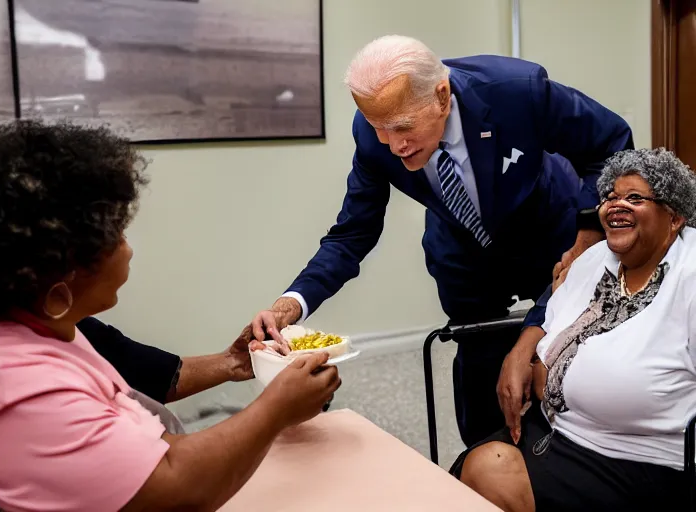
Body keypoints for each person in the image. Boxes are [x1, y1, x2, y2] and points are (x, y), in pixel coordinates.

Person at [239, 35, 634, 446]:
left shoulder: (517, 91)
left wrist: (589, 233)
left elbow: (611, 143)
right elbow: (353, 232)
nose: (394, 145)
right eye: (380, 130)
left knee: (553, 353)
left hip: (551, 229)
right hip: (463, 252)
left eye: (403, 127)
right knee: (481, 375)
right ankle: (484, 465)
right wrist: (292, 302)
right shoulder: (374, 136)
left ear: (442, 96)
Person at [0, 120, 341, 512]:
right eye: (117, 234)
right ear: (60, 279)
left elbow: (144, 423)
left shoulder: (46, 329)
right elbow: (177, 489)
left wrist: (233, 361)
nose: (128, 249)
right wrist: (275, 409)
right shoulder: (31, 390)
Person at [453, 148, 696, 512]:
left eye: (635, 198)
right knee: (455, 481)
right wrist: (523, 354)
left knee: (487, 474)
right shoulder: (596, 261)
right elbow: (548, 327)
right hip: (551, 428)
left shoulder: (689, 278)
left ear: (674, 217)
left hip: (634, 459)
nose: (616, 205)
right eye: (611, 196)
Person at [77, 316, 254, 404]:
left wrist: (235, 361)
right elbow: (171, 467)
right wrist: (277, 397)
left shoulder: (83, 334)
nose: (129, 249)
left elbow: (143, 371)